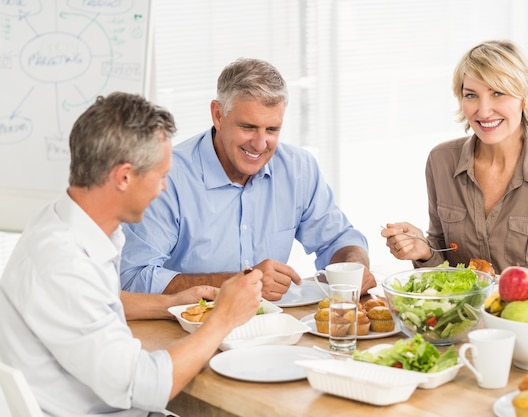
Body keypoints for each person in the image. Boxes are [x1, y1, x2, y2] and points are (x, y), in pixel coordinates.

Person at [0, 92, 263, 416]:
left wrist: (169, 305)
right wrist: (224, 317)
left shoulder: (60, 223)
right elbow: (147, 386)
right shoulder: (63, 265)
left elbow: (95, 300)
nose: (165, 187)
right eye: (161, 175)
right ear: (124, 176)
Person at [120, 57, 376, 299]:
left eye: (272, 129)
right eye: (248, 127)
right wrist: (242, 281)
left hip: (273, 328)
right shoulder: (168, 176)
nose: (260, 144)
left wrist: (354, 266)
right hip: (187, 329)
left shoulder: (298, 168)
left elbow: (339, 239)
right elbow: (135, 279)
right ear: (218, 115)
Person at [381, 40, 528, 274]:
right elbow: (442, 260)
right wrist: (424, 251)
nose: (484, 110)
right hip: (455, 309)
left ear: (527, 97)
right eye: (471, 95)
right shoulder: (441, 161)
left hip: (523, 310)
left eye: (498, 93)